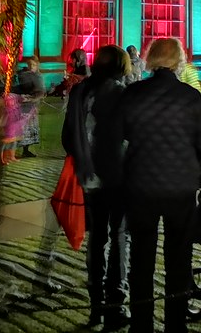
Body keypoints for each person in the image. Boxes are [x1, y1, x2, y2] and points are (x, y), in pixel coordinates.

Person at [106, 37, 201, 333]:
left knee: (142, 256)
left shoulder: (133, 93)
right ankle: (175, 324)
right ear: (178, 60)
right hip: (180, 186)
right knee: (178, 258)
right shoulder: (189, 97)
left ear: (151, 59)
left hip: (140, 185)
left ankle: (141, 324)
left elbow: (114, 138)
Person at [62, 44, 130, 329]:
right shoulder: (123, 93)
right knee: (119, 237)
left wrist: (82, 159)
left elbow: (68, 136)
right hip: (119, 175)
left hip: (90, 176)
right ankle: (116, 304)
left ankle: (96, 306)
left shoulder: (80, 91)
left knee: (98, 237)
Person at [13, 57, 45, 158]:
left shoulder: (37, 76)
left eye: (33, 65)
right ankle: (14, 150)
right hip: (23, 105)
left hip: (31, 105)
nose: (31, 67)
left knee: (29, 129)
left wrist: (35, 97)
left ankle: (26, 150)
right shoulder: (22, 75)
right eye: (30, 65)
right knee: (21, 129)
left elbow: (40, 90)